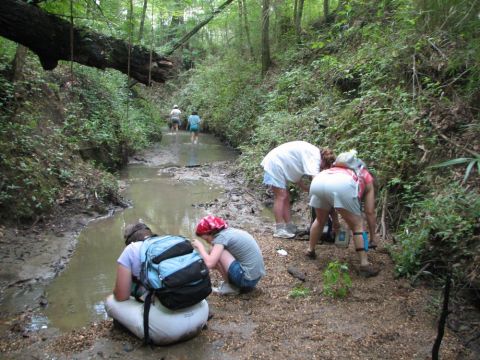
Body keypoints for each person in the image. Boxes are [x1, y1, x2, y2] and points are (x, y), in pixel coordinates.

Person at [104, 222, 209, 345]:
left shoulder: (131, 250)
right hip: (201, 316)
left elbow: (122, 296)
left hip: (168, 330)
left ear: (129, 240)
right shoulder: (172, 241)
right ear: (150, 233)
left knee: (110, 301)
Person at [307, 150, 380, 277]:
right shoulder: (365, 175)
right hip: (343, 184)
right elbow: (369, 211)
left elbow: (331, 202)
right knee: (358, 225)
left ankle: (310, 250)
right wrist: (373, 238)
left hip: (318, 181)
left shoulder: (332, 169)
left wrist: (336, 221)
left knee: (319, 220)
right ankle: (364, 265)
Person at [261, 141, 335, 239]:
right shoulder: (314, 158)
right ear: (325, 162)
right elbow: (316, 181)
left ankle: (289, 226)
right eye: (323, 168)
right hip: (274, 163)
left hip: (278, 163)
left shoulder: (313, 154)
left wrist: (305, 188)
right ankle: (279, 229)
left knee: (285, 196)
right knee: (281, 196)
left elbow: (296, 175)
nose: (321, 169)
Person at [192, 215, 265, 295]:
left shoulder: (221, 238)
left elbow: (210, 264)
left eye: (206, 239)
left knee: (216, 253)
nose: (207, 242)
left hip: (246, 280)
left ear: (212, 232)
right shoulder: (228, 232)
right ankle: (231, 284)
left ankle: (231, 288)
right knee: (214, 253)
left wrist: (200, 247)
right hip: (254, 278)